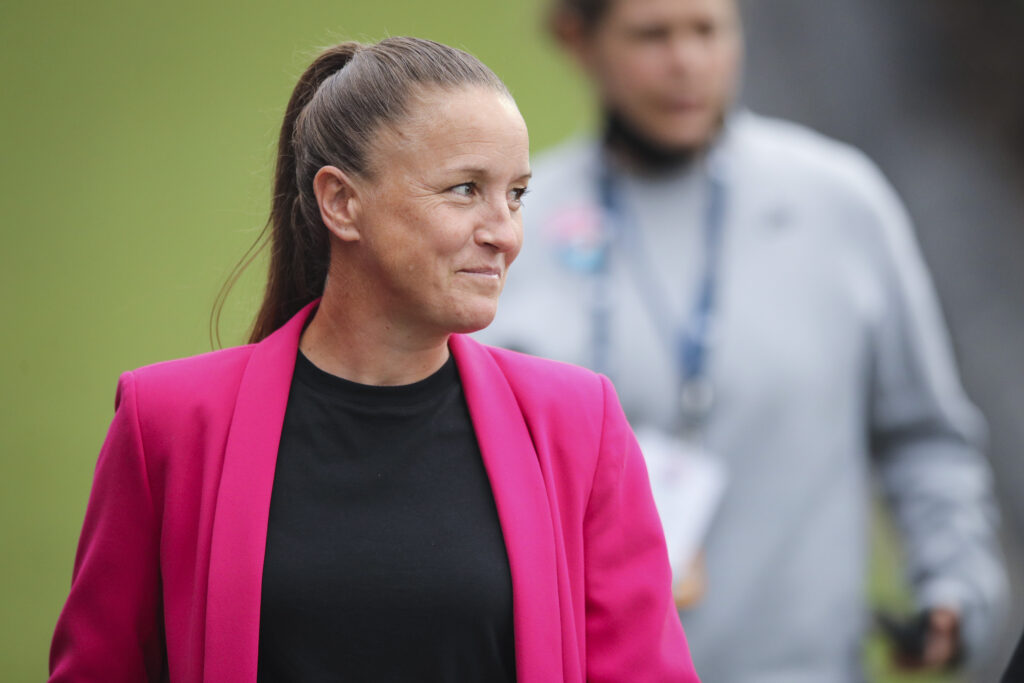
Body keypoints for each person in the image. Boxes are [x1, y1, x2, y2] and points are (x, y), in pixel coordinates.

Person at [48, 37, 700, 683]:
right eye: (466, 189)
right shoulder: (165, 421)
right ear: (340, 201)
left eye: (517, 194)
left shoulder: (577, 422)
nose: (504, 231)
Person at [477, 0, 1008, 680]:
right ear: (578, 41)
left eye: (707, 30)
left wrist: (956, 587)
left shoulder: (841, 204)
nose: (686, 62)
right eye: (652, 35)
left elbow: (924, 438)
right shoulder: (517, 225)